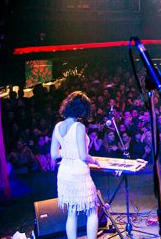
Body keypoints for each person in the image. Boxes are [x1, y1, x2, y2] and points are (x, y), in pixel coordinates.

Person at [50, 91, 100, 239]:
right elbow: (83, 156)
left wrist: (66, 151)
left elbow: (54, 155)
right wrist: (95, 161)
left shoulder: (58, 126)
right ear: (82, 109)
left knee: (72, 213)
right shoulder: (79, 126)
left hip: (64, 172)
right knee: (92, 210)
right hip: (78, 172)